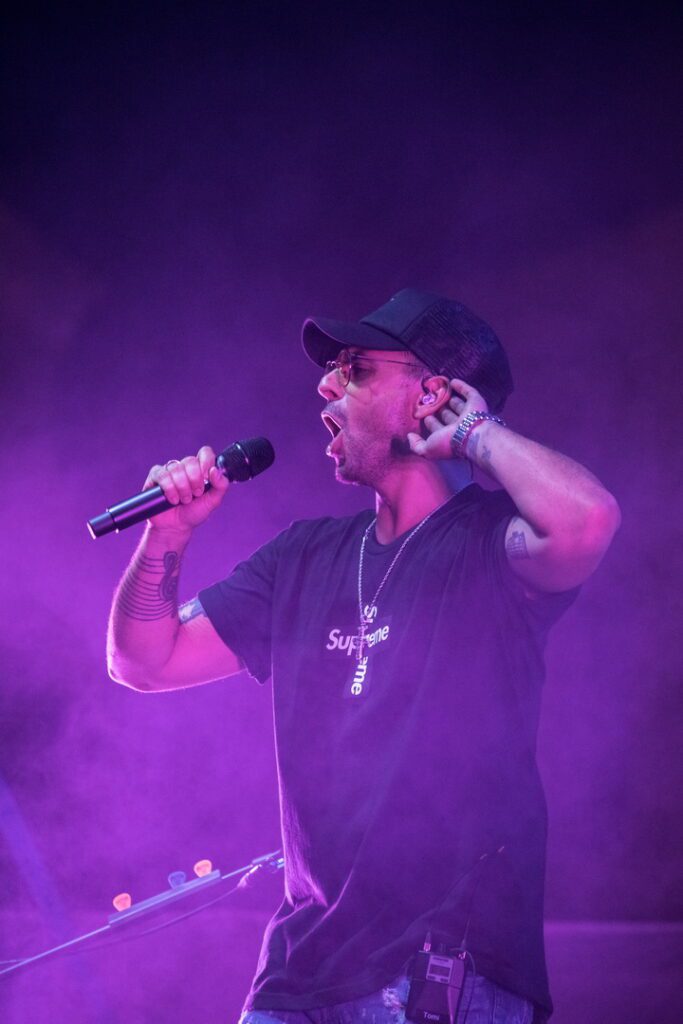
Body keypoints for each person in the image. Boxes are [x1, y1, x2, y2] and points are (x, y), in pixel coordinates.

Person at [107, 289, 620, 1024]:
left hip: (441, 969)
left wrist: (476, 432)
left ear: (432, 395)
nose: (325, 385)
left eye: (354, 368)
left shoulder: (489, 542)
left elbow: (587, 521)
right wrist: (166, 536)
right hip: (297, 974)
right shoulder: (303, 556)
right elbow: (142, 662)